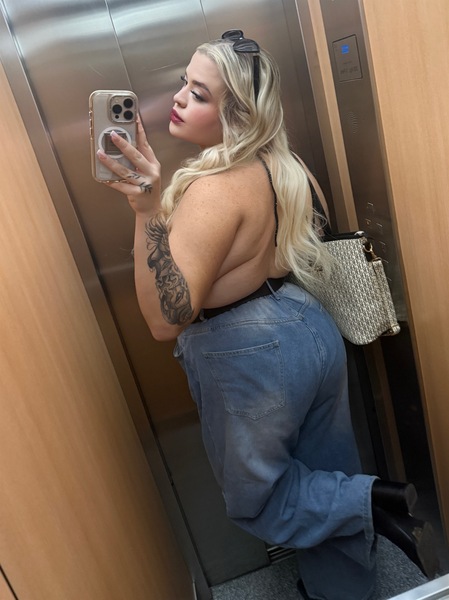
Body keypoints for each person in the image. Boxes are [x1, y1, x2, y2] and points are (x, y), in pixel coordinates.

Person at [96, 30, 438, 600]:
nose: (179, 97)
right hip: (307, 326)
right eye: (184, 83)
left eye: (199, 93)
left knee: (262, 500)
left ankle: (371, 504)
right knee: (322, 470)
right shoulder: (285, 166)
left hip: (248, 351)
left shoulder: (214, 191)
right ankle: (343, 588)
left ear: (238, 114)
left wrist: (145, 209)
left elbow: (164, 320)